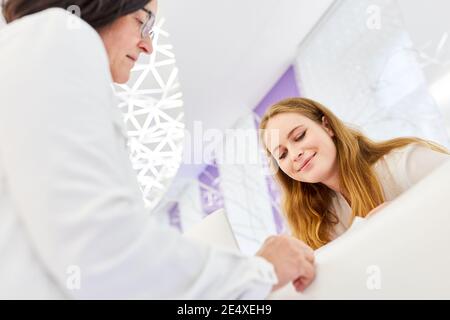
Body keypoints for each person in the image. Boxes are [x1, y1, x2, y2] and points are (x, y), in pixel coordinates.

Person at [0, 0, 315, 299]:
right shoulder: (58, 34)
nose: (148, 45)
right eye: (142, 21)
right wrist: (261, 272)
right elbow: (103, 250)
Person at [260, 97, 450, 250]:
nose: (295, 154)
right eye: (282, 154)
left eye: (299, 136)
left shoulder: (406, 162)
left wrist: (410, 214)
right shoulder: (318, 219)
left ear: (327, 126)